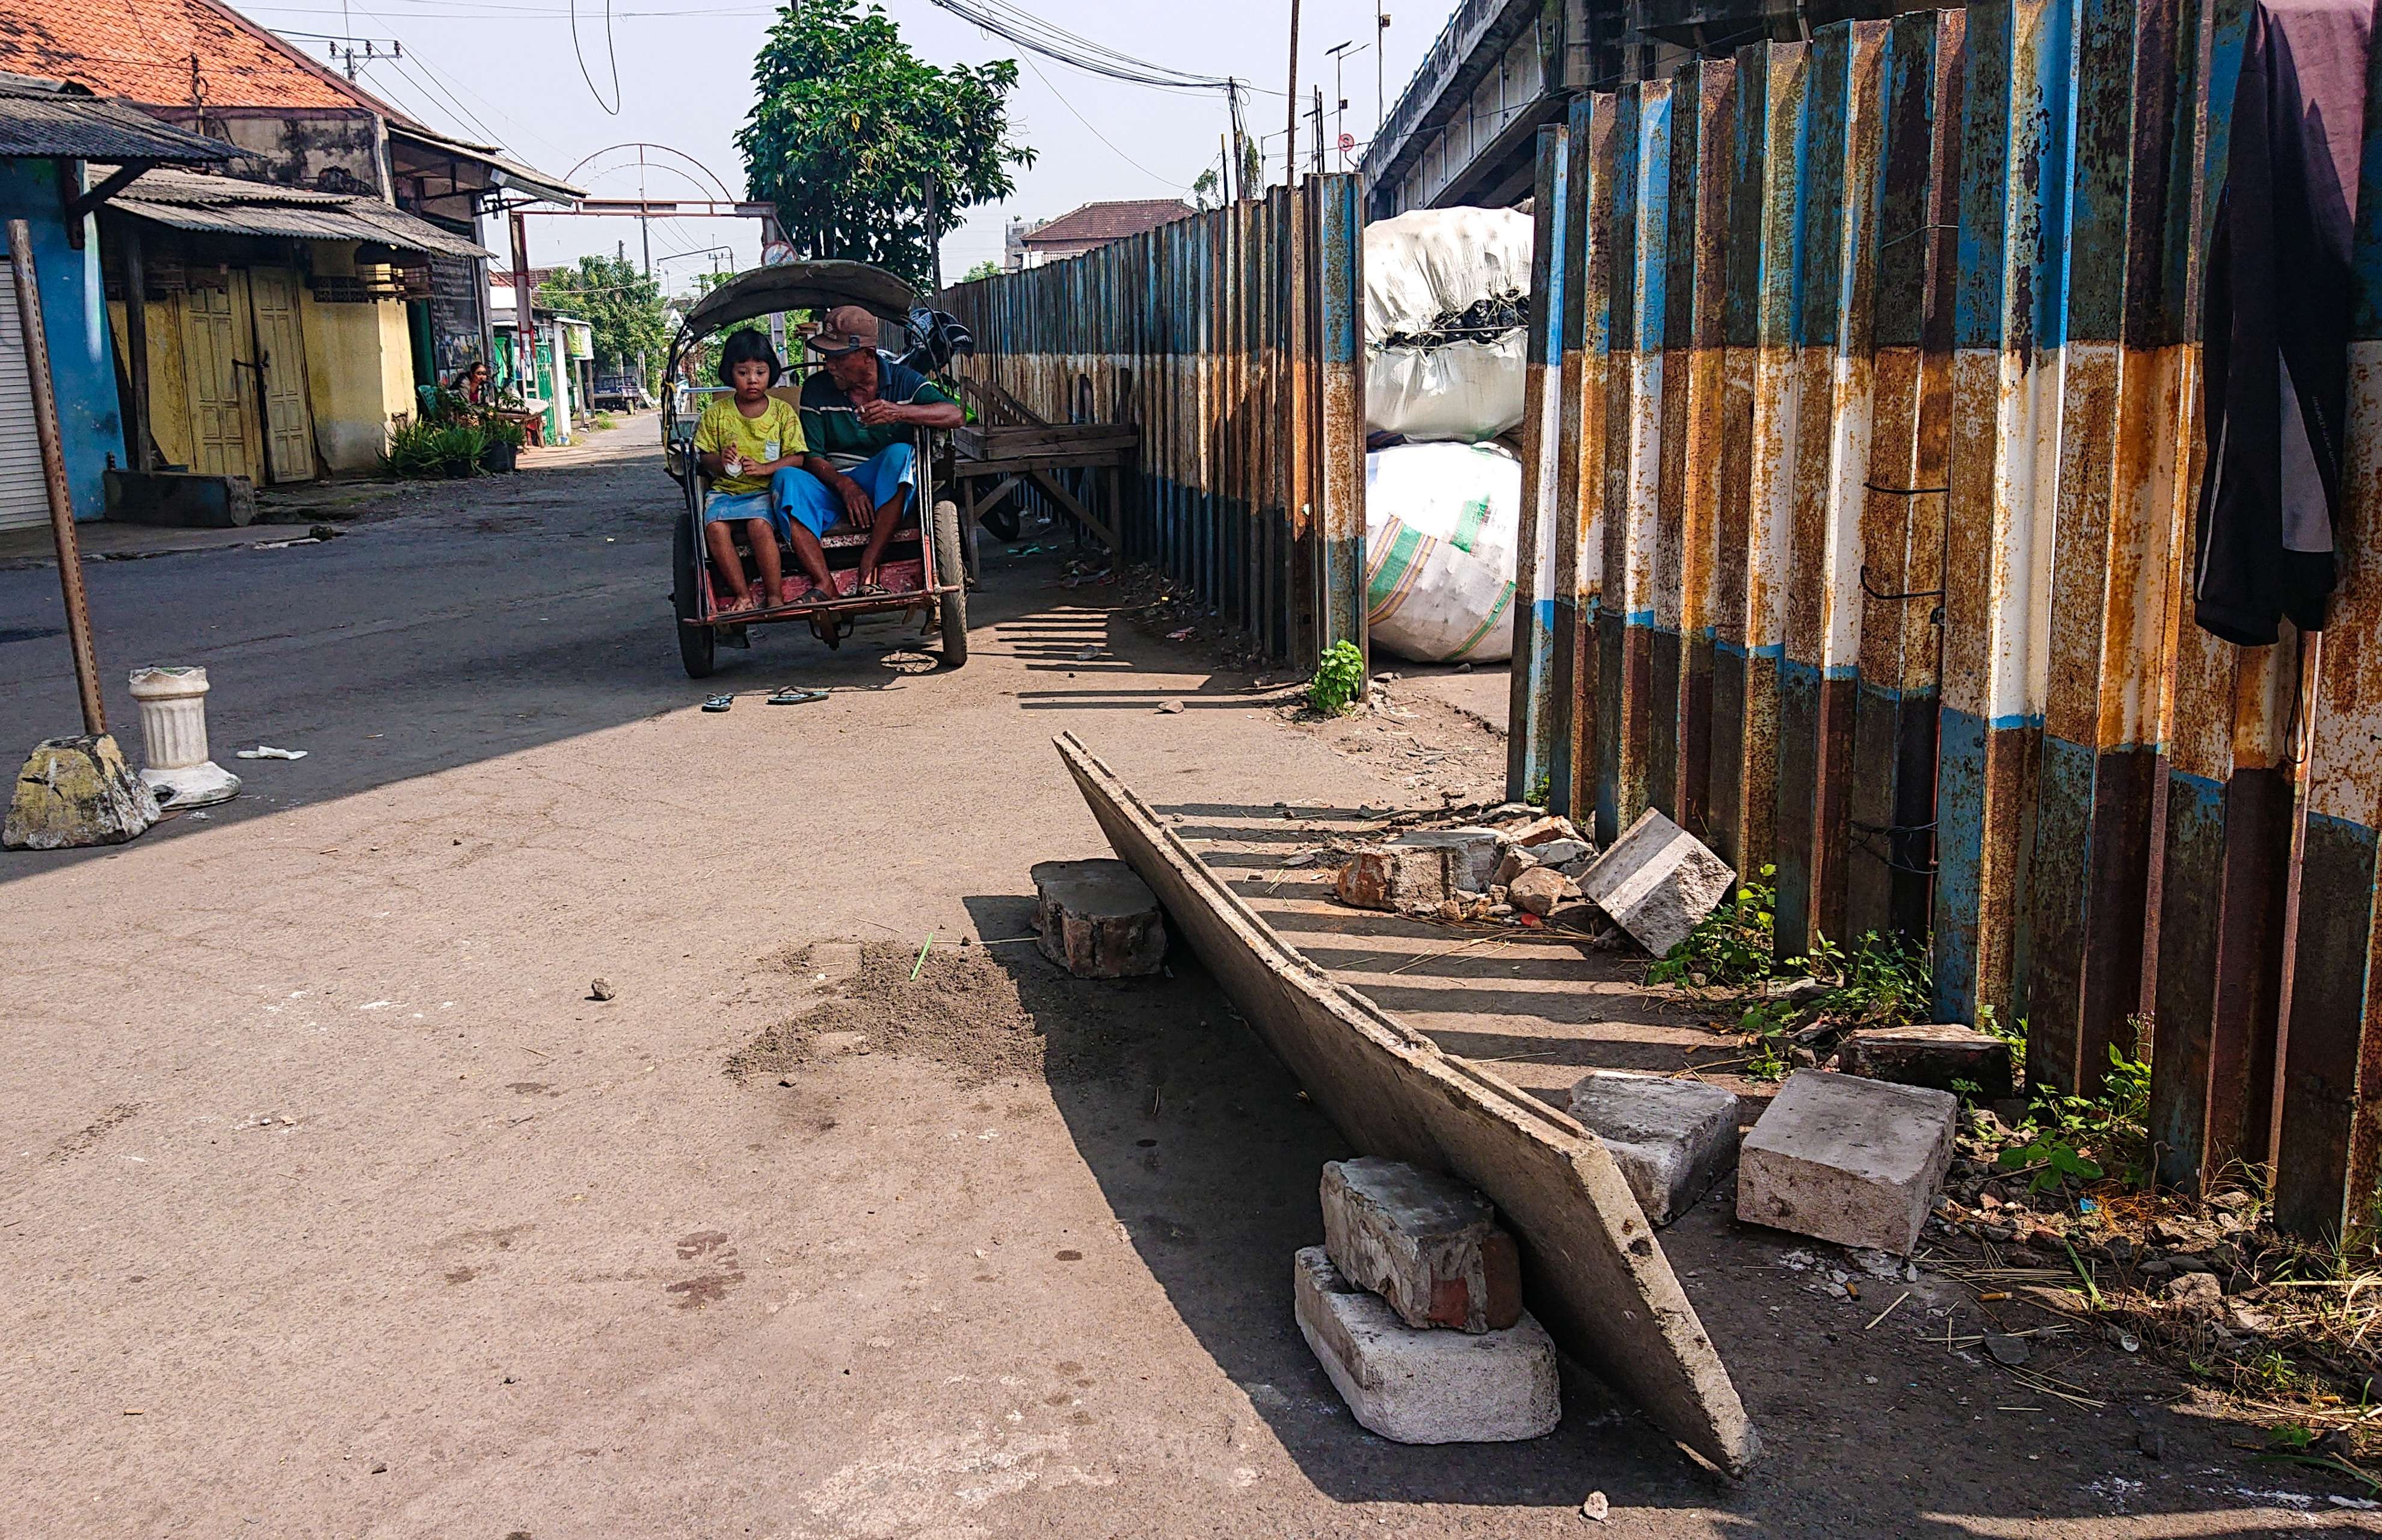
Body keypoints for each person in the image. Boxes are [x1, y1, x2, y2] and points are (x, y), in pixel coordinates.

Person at [786, 304, 965, 593]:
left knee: (900, 453)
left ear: (867, 356)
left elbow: (954, 415)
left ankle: (869, 566)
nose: (829, 365)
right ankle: (824, 583)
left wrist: (899, 412)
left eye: (838, 357)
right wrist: (845, 485)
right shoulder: (817, 388)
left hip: (889, 487)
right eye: (827, 356)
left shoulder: (904, 380)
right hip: (833, 486)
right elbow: (812, 456)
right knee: (787, 479)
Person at [691, 328, 832, 612]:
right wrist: (721, 460)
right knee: (715, 530)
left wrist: (765, 468)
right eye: (743, 372)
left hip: (764, 492)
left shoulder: (782, 413)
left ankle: (774, 595)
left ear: (771, 373)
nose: (752, 380)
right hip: (726, 492)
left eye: (760, 372)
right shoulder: (716, 413)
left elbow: (797, 458)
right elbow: (705, 458)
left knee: (759, 527)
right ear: (730, 373)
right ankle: (742, 595)